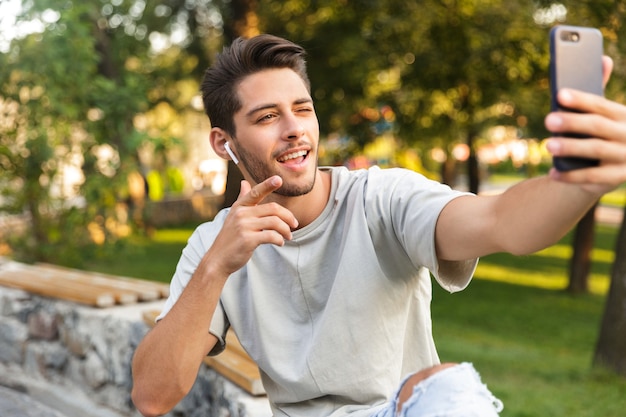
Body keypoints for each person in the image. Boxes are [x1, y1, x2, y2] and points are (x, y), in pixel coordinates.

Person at [131, 34, 626, 417]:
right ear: (224, 143)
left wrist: (578, 182)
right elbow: (153, 396)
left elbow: (501, 223)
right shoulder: (213, 246)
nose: (295, 129)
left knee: (448, 387)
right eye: (266, 117)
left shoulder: (381, 199)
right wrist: (217, 264)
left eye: (302, 109)